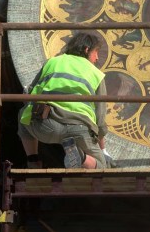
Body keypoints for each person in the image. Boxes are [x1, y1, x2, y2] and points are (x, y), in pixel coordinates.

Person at [18, 33, 116, 169]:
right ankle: (80, 157)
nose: (97, 57)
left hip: (47, 126)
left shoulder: (52, 62)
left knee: (24, 116)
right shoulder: (96, 74)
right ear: (87, 49)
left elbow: (31, 94)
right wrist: (103, 150)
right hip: (79, 129)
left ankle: (33, 161)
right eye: (96, 52)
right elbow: (99, 119)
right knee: (101, 166)